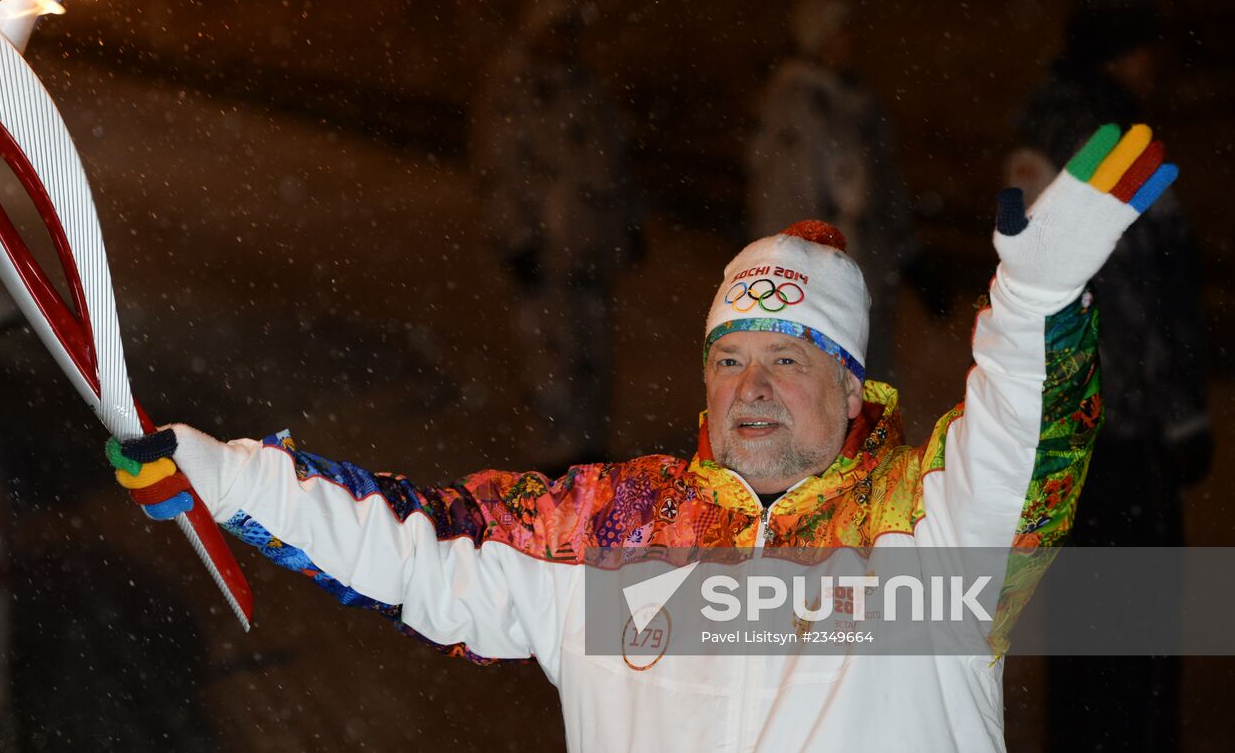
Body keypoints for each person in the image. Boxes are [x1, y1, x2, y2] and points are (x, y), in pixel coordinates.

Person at [109, 128, 1175, 751]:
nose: (749, 388)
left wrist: (1036, 293)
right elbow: (416, 546)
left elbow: (1021, 438)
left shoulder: (931, 527)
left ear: (852, 390)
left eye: (787, 359)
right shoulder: (606, 528)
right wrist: (225, 473)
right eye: (726, 358)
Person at [1011, 0, 1210, 751]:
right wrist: (1179, 410)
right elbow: (1148, 283)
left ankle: (1083, 733)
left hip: (1065, 418)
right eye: (1147, 47)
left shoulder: (1039, 125)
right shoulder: (1114, 139)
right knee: (1137, 625)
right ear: (1125, 54)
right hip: (1123, 423)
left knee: (1082, 621)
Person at [469, 0, 642, 466]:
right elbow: (499, 171)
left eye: (570, 32)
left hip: (588, 250)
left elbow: (615, 168)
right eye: (556, 30)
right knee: (547, 360)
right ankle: (551, 457)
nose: (564, 41)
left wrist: (627, 227)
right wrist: (515, 238)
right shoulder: (516, 93)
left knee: (592, 355)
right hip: (543, 252)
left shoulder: (589, 92)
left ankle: (587, 451)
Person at [747, 0, 924, 383]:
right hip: (820, 286)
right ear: (819, 37)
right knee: (825, 391)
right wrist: (795, 274)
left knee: (870, 389)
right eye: (842, 30)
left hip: (867, 277)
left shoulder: (861, 104)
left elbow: (885, 189)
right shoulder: (797, 103)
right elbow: (785, 198)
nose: (852, 40)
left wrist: (909, 255)